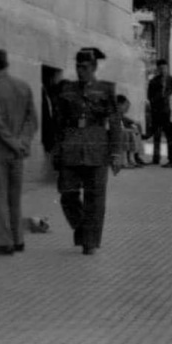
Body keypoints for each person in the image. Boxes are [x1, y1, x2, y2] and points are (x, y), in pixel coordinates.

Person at [52, 48, 122, 254]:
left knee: (96, 197)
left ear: (93, 67)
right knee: (67, 194)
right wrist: (56, 150)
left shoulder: (106, 89)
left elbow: (115, 122)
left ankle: (90, 243)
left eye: (84, 67)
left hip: (97, 147)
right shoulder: (66, 89)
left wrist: (116, 153)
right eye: (77, 67)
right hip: (71, 147)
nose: (79, 71)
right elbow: (58, 123)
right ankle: (84, 230)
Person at [0, 50, 38, 256]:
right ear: (6, 64)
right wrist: (22, 142)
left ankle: (3, 243)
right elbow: (32, 120)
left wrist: (12, 142)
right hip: (18, 154)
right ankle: (18, 239)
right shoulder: (24, 86)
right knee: (14, 199)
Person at [146, 59, 172, 166]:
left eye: (164, 68)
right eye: (160, 68)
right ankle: (156, 158)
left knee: (171, 137)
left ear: (167, 68)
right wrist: (158, 98)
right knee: (157, 136)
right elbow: (149, 96)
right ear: (158, 69)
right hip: (157, 112)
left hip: (170, 113)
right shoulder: (153, 81)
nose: (163, 70)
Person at [116, 95, 147, 167]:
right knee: (127, 133)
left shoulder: (121, 114)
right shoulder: (114, 114)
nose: (127, 108)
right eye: (125, 105)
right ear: (119, 105)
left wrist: (134, 124)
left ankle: (133, 157)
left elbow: (126, 120)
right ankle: (125, 160)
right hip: (115, 133)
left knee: (135, 131)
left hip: (121, 131)